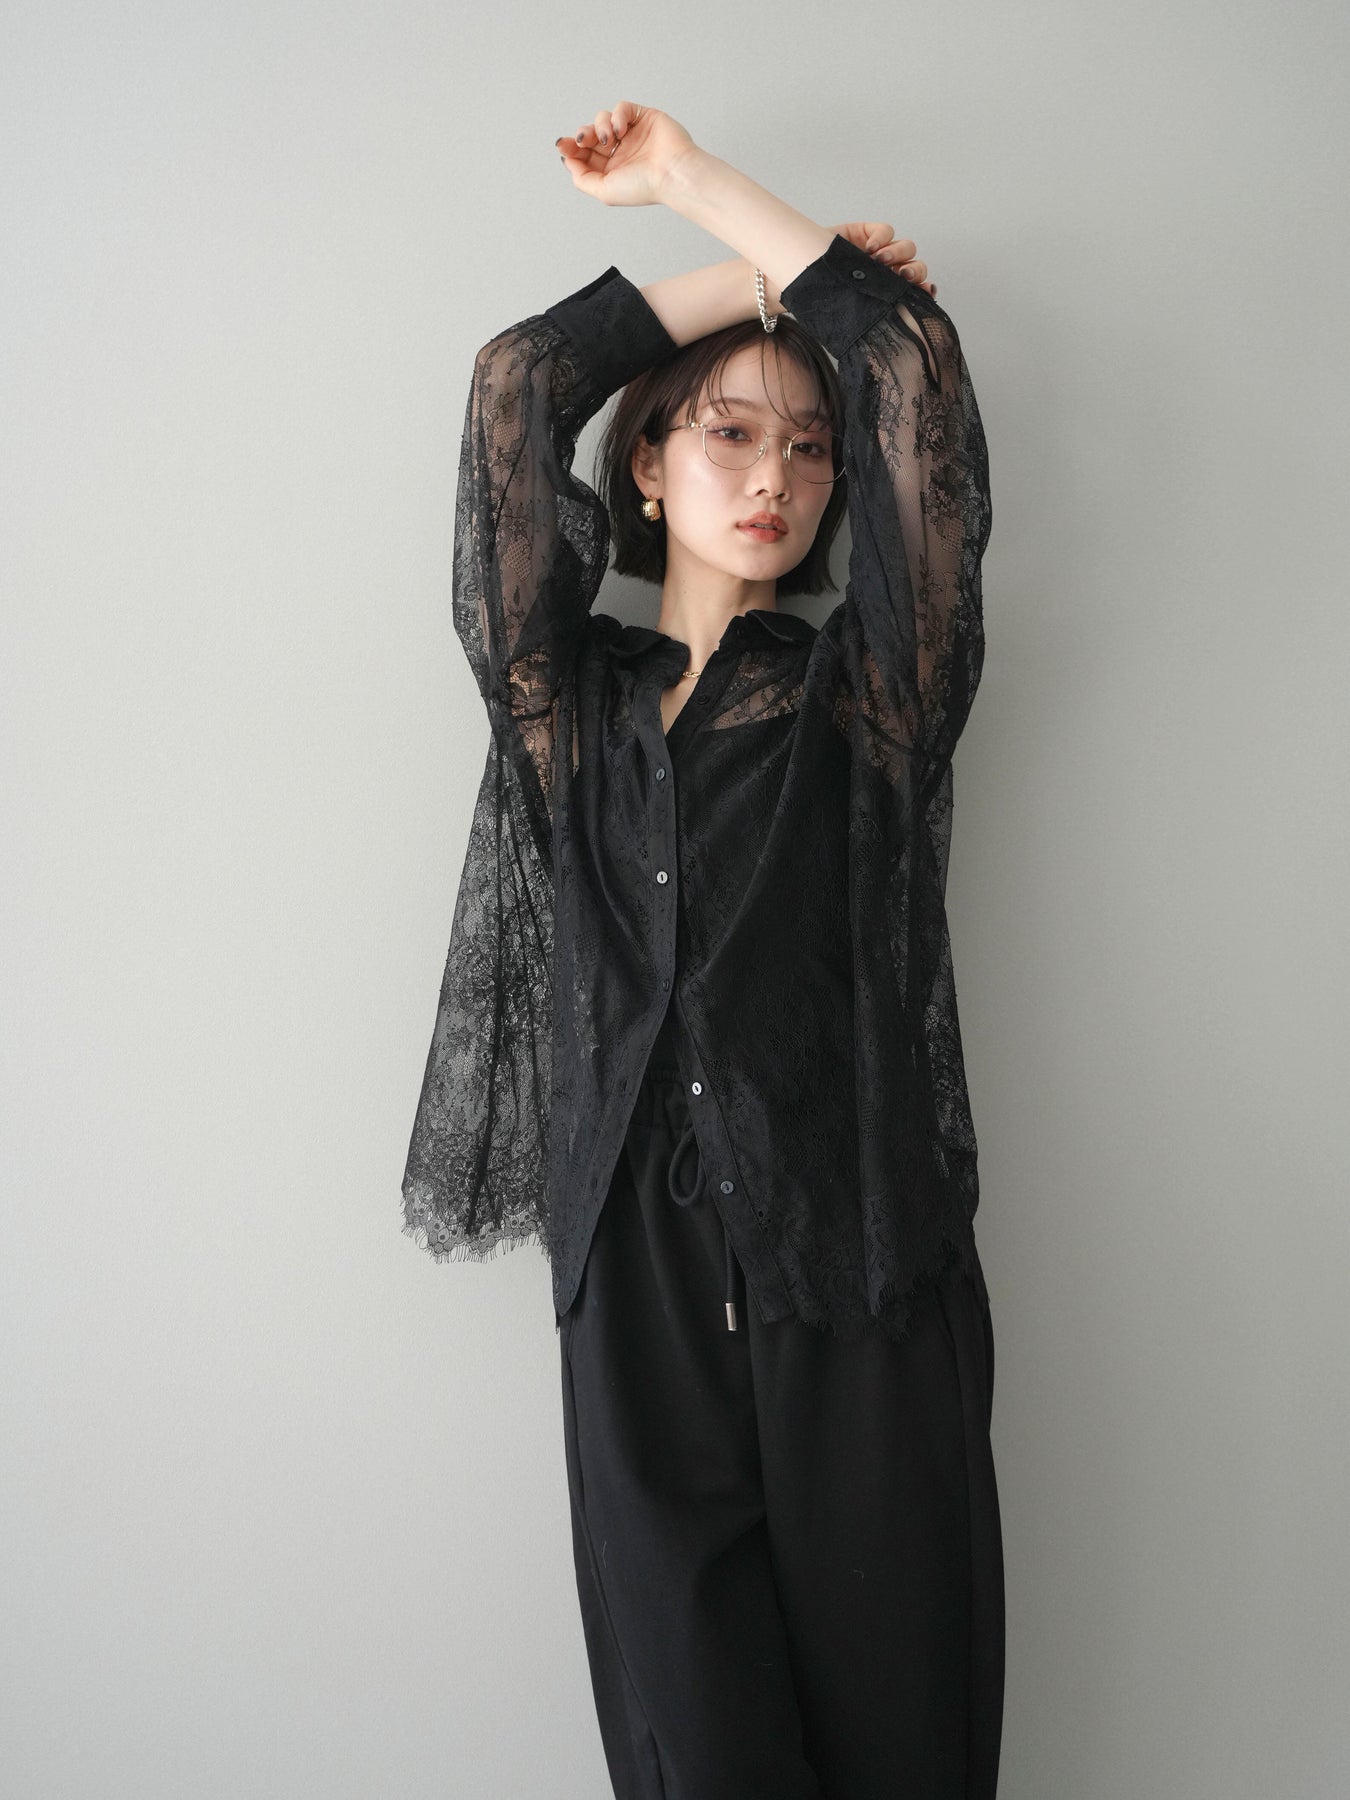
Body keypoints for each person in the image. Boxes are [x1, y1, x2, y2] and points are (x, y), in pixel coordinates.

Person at [403, 100, 1003, 1799]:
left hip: (855, 1262)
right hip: (638, 1291)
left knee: (901, 1742)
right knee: (696, 1753)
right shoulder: (563, 707)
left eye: (808, 450)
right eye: (730, 435)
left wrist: (711, 190)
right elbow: (514, 388)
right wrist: (743, 275)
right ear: (650, 468)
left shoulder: (868, 702)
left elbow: (909, 365)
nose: (775, 477)